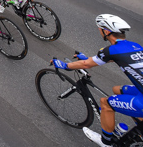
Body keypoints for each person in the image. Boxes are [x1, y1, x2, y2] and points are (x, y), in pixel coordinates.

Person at [51, 15, 143, 147]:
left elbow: (87, 64)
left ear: (106, 31)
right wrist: (88, 59)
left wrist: (64, 65)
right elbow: (109, 58)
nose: (99, 31)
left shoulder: (112, 49)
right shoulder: (135, 46)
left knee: (105, 103)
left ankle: (106, 142)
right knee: (117, 90)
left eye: (100, 29)